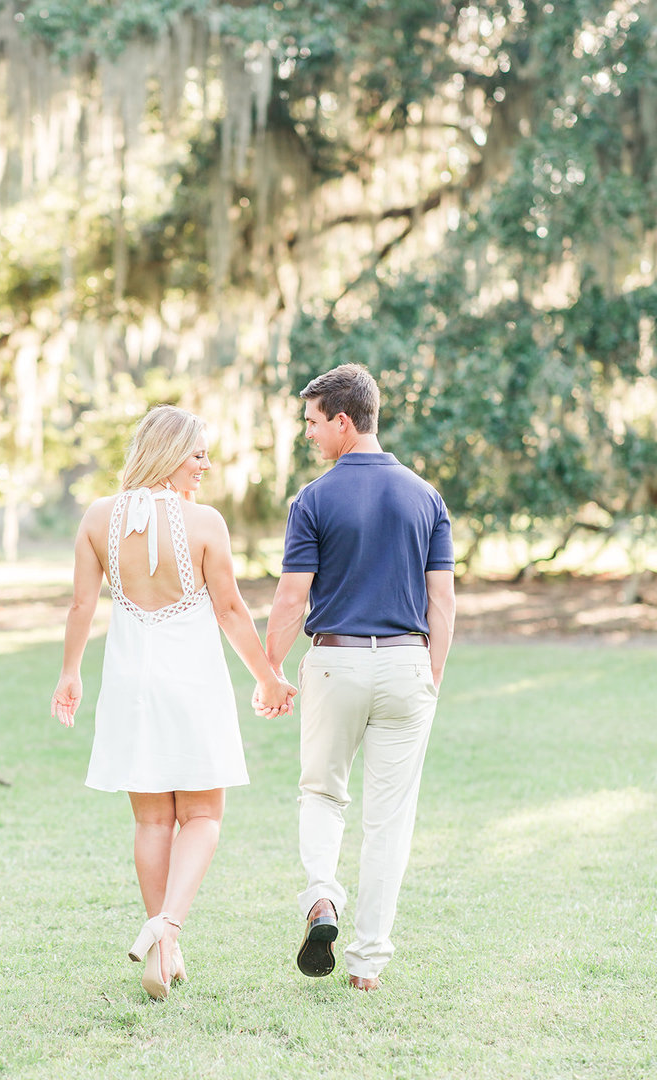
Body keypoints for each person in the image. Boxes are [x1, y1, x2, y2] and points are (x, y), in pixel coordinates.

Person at [51, 405, 296, 1001]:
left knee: (152, 818)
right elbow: (231, 611)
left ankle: (164, 951)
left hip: (131, 680)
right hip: (192, 681)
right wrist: (266, 678)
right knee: (204, 817)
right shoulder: (204, 522)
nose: (206, 466)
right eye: (197, 454)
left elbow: (82, 606)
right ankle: (168, 926)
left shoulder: (96, 518)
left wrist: (69, 673)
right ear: (166, 452)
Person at [257, 363, 455, 990]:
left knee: (321, 793)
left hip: (335, 661)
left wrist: (270, 673)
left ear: (344, 422)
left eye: (314, 423)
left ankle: (322, 897)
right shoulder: (427, 497)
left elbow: (291, 601)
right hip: (407, 663)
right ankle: (367, 964)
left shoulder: (313, 499)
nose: (310, 435)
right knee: (388, 821)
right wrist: (431, 679)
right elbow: (442, 604)